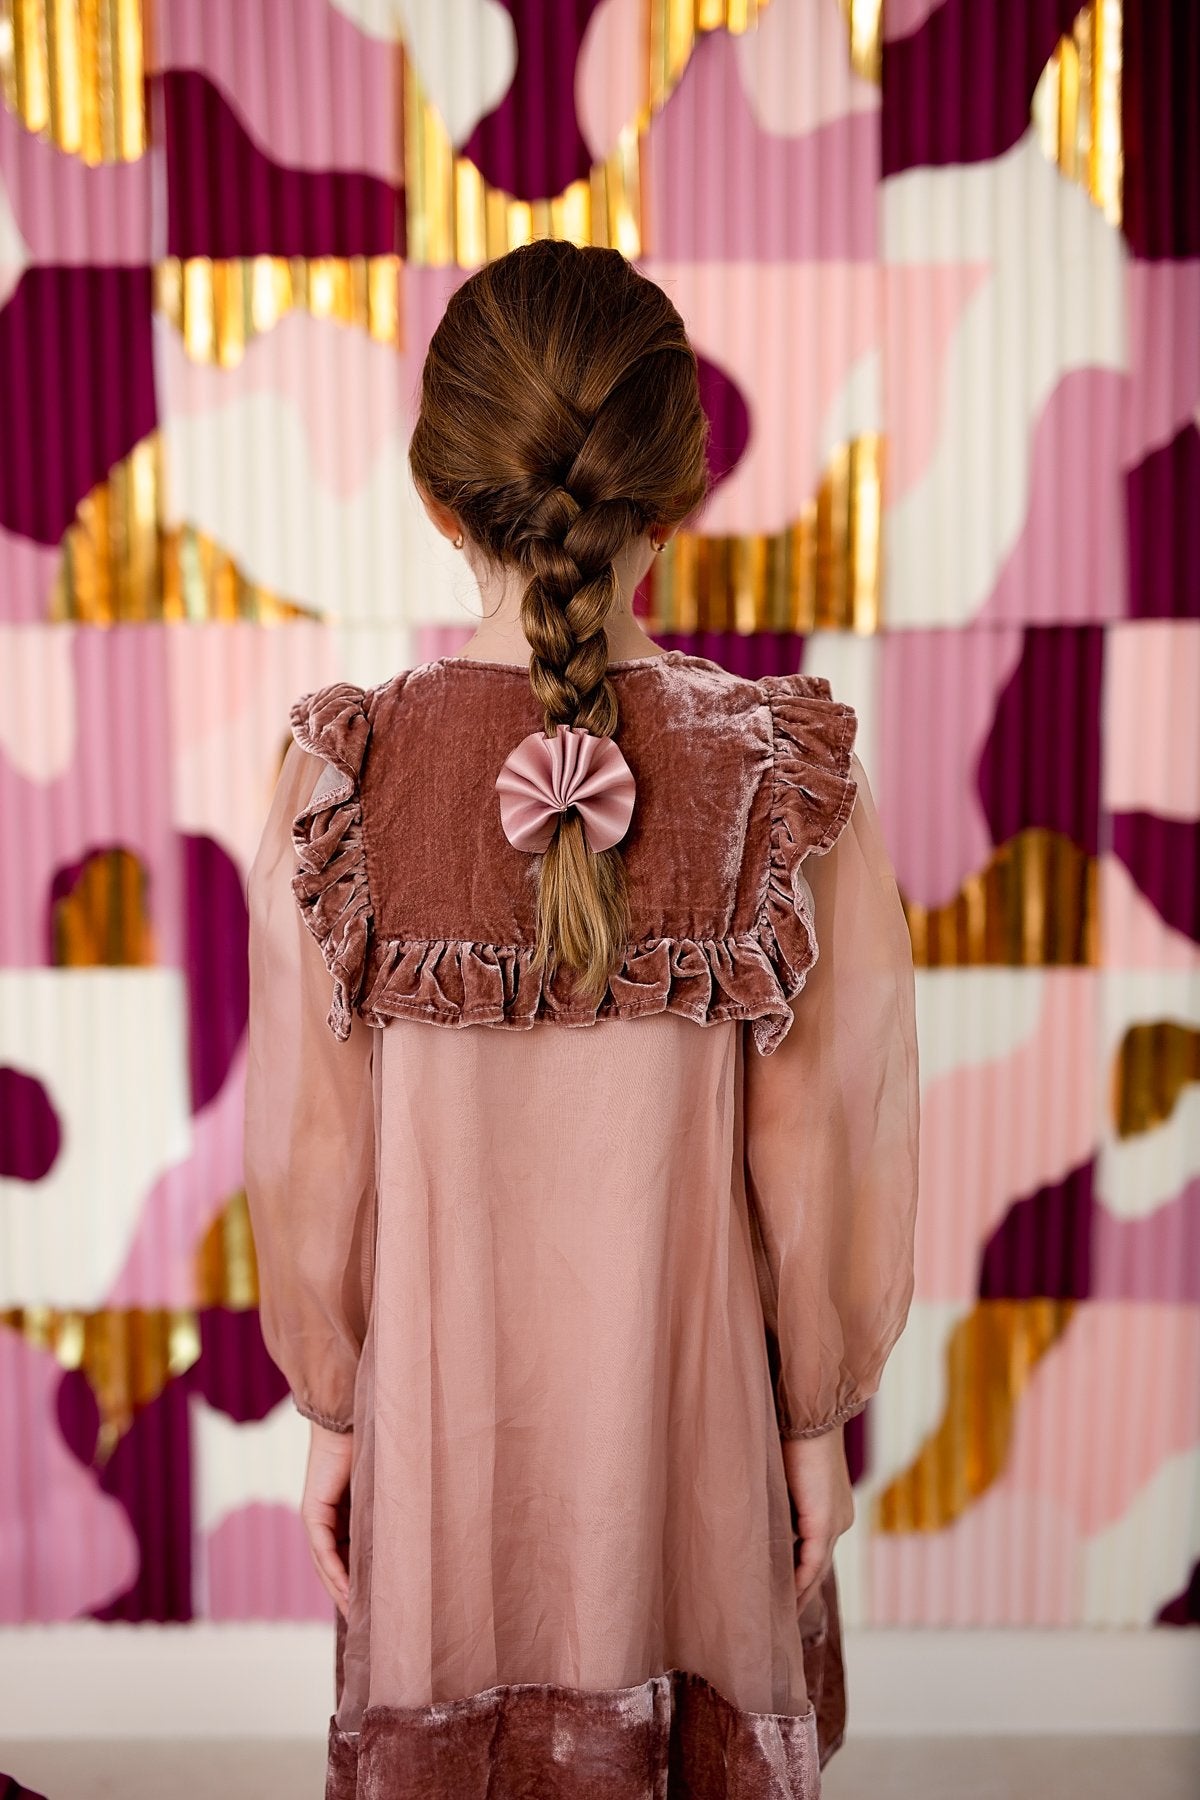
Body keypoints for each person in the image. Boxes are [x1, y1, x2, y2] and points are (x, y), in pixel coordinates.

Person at [243, 239, 919, 1800]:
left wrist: (337, 1413)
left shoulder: (347, 778)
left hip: (447, 1464)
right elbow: (814, 1154)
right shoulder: (777, 776)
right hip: (691, 1457)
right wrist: (809, 1425)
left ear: (440, 496)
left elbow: (315, 1157)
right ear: (675, 497)